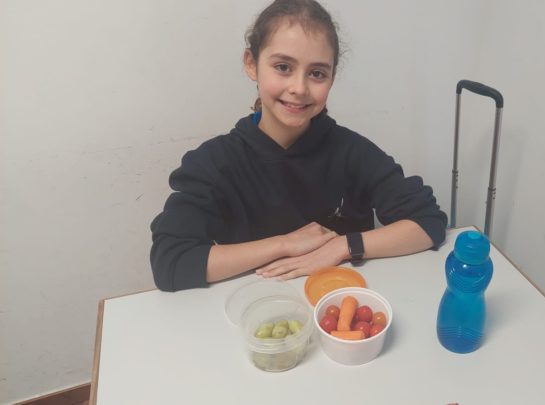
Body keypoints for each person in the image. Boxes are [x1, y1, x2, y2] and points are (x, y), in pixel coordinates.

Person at [150, 0, 447, 292]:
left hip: (337, 305)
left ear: (332, 77)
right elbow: (171, 262)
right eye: (283, 67)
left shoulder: (352, 152)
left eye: (317, 73)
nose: (299, 88)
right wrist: (285, 244)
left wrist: (342, 246)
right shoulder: (215, 163)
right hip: (255, 306)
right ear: (251, 64)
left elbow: (428, 222)